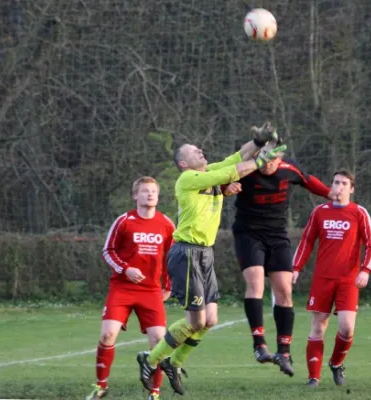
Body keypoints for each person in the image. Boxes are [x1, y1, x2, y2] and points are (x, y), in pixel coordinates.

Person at [136, 124, 286, 396]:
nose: (200, 151)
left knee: (210, 320)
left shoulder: (210, 173)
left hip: (205, 253)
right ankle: (149, 360)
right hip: (188, 252)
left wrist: (258, 141)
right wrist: (260, 160)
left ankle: (174, 362)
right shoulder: (189, 178)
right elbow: (233, 171)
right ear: (184, 162)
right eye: (194, 151)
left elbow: (238, 158)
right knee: (194, 321)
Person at [227, 134, 336, 377]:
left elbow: (309, 181)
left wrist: (330, 194)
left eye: (271, 159)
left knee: (284, 291)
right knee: (255, 282)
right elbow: (223, 182)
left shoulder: (290, 170)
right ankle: (259, 345)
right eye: (262, 158)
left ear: (280, 158)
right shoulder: (247, 170)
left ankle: (284, 352)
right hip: (248, 234)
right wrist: (227, 188)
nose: (267, 164)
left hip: (277, 236)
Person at [86, 177, 175, 400]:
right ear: (135, 196)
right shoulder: (124, 221)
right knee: (108, 334)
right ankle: (100, 386)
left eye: (154, 191)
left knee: (159, 341)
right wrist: (125, 269)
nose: (150, 194)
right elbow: (108, 251)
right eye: (145, 191)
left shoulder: (166, 224)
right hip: (122, 288)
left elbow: (172, 258)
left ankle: (154, 393)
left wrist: (169, 286)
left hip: (151, 291)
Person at [292, 169, 371, 388]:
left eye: (343, 183)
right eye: (336, 182)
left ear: (351, 189)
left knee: (347, 328)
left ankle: (336, 363)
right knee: (318, 326)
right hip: (322, 278)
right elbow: (307, 241)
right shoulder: (319, 212)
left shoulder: (359, 213)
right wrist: (296, 267)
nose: (338, 187)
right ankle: (313, 377)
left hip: (347, 280)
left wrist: (365, 270)